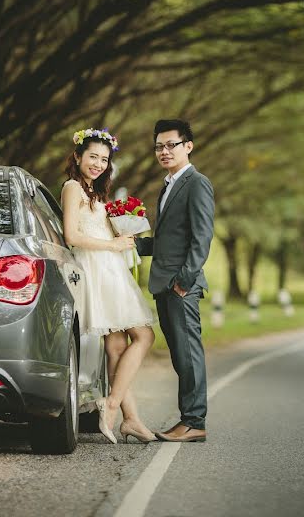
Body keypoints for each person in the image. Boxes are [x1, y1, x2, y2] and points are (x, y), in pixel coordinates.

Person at [60, 127, 157, 445]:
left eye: (104, 159)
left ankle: (131, 420)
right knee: (144, 334)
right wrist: (113, 245)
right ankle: (112, 403)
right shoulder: (73, 187)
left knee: (116, 347)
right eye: (92, 157)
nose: (98, 164)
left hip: (110, 266)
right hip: (98, 268)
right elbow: (71, 237)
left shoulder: (94, 192)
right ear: (78, 156)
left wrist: (123, 231)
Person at [135, 119, 214, 443]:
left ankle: (194, 421)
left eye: (171, 145)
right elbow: (169, 240)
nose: (164, 151)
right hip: (165, 284)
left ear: (188, 146)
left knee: (188, 354)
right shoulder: (168, 185)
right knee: (180, 355)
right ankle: (189, 419)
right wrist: (132, 244)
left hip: (180, 286)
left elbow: (202, 238)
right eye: (159, 146)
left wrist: (183, 281)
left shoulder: (196, 183)